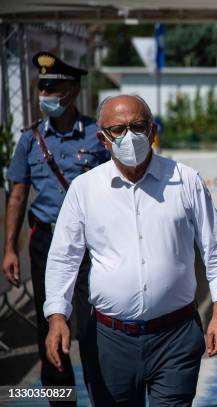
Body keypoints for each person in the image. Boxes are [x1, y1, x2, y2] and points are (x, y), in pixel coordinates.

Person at [43, 95, 217, 406]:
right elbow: (63, 259)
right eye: (118, 129)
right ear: (102, 139)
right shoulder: (84, 189)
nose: (130, 136)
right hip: (109, 341)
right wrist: (57, 318)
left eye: (138, 126)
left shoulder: (185, 180)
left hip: (176, 336)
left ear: (151, 131)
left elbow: (215, 247)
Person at [2, 51, 109, 404]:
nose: (45, 94)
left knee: (94, 323)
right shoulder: (30, 140)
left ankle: (103, 394)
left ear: (74, 90)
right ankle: (60, 400)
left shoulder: (98, 135)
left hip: (91, 242)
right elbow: (17, 196)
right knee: (51, 325)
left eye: (53, 87)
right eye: (42, 87)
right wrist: (9, 249)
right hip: (46, 241)